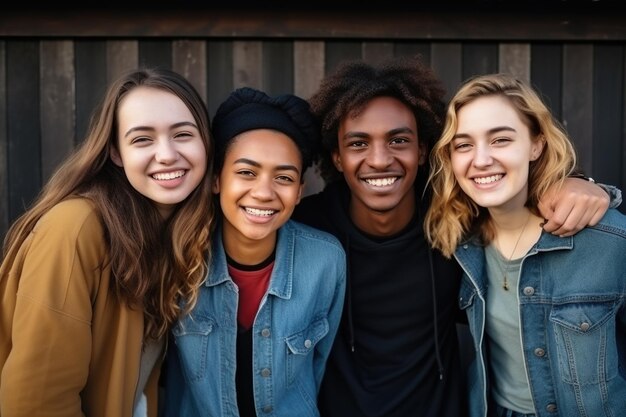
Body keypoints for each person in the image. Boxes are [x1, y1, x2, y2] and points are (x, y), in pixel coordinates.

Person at [291, 56, 620, 417]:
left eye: (398, 140)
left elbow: (513, 191)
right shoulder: (305, 230)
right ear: (336, 156)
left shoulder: (452, 222)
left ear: (423, 150)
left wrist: (584, 184)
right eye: (358, 144)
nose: (380, 159)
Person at [0, 67, 215, 417]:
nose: (166, 154)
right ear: (116, 152)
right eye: (142, 139)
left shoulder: (177, 236)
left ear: (205, 141)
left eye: (183, 134)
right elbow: (37, 403)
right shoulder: (75, 227)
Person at [425, 73, 626, 417]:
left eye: (500, 140)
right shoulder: (458, 245)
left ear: (536, 144)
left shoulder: (608, 240)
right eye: (463, 145)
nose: (481, 159)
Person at [162, 87, 347, 417]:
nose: (264, 192)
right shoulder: (178, 256)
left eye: (284, 177)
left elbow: (320, 369)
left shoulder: (325, 261)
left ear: (299, 192)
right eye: (246, 172)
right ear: (216, 179)